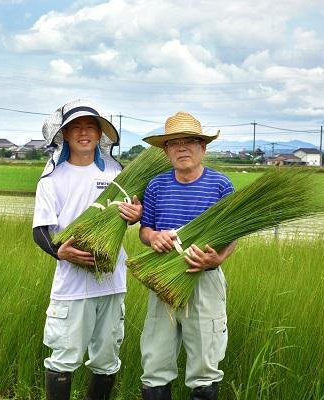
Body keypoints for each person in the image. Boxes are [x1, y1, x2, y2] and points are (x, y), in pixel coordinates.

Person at [32, 99, 142, 400]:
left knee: (107, 360)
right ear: (64, 135)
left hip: (112, 281)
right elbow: (39, 230)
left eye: (90, 127)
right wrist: (60, 252)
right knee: (63, 357)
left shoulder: (116, 173)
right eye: (76, 127)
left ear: (99, 134)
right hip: (71, 286)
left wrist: (136, 215)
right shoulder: (53, 177)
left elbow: (129, 215)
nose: (84, 133)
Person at [137, 112, 237, 400]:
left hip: (203, 280)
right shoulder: (156, 185)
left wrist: (218, 259)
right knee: (155, 362)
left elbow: (233, 236)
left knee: (205, 366)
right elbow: (145, 230)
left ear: (202, 147)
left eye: (190, 141)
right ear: (165, 150)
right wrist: (153, 237)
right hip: (163, 279)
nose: (182, 148)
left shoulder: (221, 186)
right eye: (174, 143)